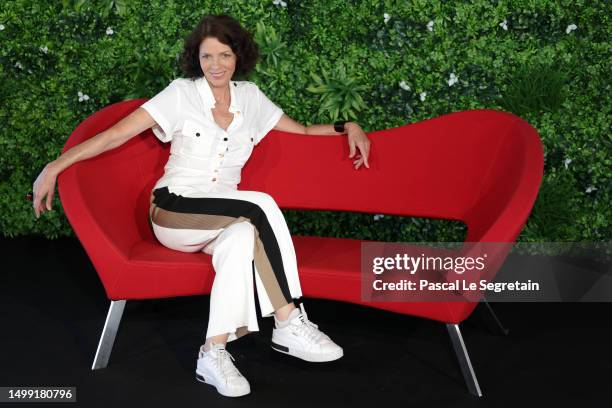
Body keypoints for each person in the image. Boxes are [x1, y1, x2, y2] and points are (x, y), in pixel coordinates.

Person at [32, 14, 371, 398]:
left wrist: (349, 126)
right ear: (197, 58)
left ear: (238, 56)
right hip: (174, 208)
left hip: (221, 218)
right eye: (207, 56)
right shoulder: (181, 94)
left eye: (224, 55)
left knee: (243, 237)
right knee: (257, 207)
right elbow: (115, 134)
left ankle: (212, 354)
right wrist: (56, 165)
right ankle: (288, 319)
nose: (216, 65)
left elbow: (306, 132)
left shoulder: (251, 99)